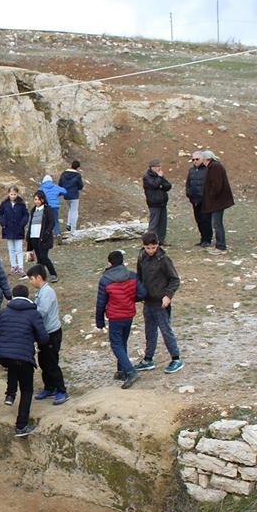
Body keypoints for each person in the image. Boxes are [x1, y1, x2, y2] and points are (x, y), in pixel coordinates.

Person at [0, 285, 48, 437]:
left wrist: (5, 345)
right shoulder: (33, 314)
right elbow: (43, 337)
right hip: (23, 357)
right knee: (27, 389)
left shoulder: (3, 313)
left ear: (13, 296)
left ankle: (10, 394)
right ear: (27, 295)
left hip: (3, 355)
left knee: (12, 364)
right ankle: (21, 425)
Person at [95, 250, 146, 389]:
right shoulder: (132, 276)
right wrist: (129, 299)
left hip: (115, 317)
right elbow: (142, 294)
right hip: (129, 314)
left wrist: (99, 321)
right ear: (122, 261)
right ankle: (122, 370)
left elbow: (101, 302)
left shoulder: (105, 280)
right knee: (122, 342)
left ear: (109, 263)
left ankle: (130, 372)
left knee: (116, 344)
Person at [134, 232, 184, 374]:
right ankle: (148, 359)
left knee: (165, 330)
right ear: (144, 246)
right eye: (148, 248)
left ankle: (176, 358)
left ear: (157, 245)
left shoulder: (164, 259)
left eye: (153, 247)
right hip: (147, 301)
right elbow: (139, 277)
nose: (151, 250)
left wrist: (168, 296)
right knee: (149, 331)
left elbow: (174, 279)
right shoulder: (141, 257)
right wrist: (139, 293)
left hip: (161, 303)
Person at [27, 264, 68, 405]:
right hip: (44, 333)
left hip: (51, 332)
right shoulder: (41, 292)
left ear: (39, 277)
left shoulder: (47, 292)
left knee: (51, 362)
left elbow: (41, 312)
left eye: (31, 279)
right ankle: (49, 387)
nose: (30, 282)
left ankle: (61, 390)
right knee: (43, 362)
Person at [201, 150, 235, 254]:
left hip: (218, 201)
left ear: (207, 159)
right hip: (218, 201)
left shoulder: (214, 167)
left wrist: (210, 195)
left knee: (217, 224)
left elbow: (217, 185)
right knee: (216, 223)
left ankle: (221, 246)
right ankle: (219, 245)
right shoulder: (214, 166)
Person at [25, 190, 58, 283]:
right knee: (39, 258)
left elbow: (52, 223)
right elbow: (31, 223)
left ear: (42, 200)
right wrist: (28, 236)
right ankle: (41, 275)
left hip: (43, 238)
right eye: (35, 199)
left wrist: (46, 233)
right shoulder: (33, 210)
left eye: (38, 199)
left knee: (44, 257)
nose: (36, 201)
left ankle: (53, 274)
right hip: (34, 236)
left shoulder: (47, 209)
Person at [0, 185, 29, 276]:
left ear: (17, 194)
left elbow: (26, 215)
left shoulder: (21, 204)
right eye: (11, 194)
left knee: (19, 249)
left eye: (14, 194)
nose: (13, 196)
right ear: (8, 194)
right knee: (11, 248)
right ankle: (13, 266)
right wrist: (3, 223)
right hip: (8, 229)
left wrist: (22, 224)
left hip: (18, 229)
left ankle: (20, 267)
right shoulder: (4, 204)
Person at [143, 159, 172, 246]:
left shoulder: (159, 176)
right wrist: (160, 179)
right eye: (156, 167)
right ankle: (150, 242)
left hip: (162, 202)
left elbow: (168, 186)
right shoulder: (147, 177)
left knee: (163, 223)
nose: (159, 168)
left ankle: (161, 240)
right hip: (154, 203)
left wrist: (161, 180)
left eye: (159, 166)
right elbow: (154, 185)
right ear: (152, 167)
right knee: (154, 224)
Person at [185, 151, 211, 247]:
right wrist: (189, 194)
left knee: (205, 220)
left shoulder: (207, 170)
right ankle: (202, 238)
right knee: (198, 220)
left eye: (197, 159)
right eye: (193, 159)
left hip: (204, 200)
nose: (195, 161)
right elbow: (188, 183)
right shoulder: (191, 171)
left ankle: (207, 239)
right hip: (194, 200)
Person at [58, 160, 85, 232]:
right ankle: (73, 228)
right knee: (74, 211)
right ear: (78, 167)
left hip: (66, 195)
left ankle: (68, 224)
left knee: (70, 209)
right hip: (74, 195)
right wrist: (77, 188)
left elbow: (60, 183)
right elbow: (80, 185)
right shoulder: (77, 175)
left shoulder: (64, 173)